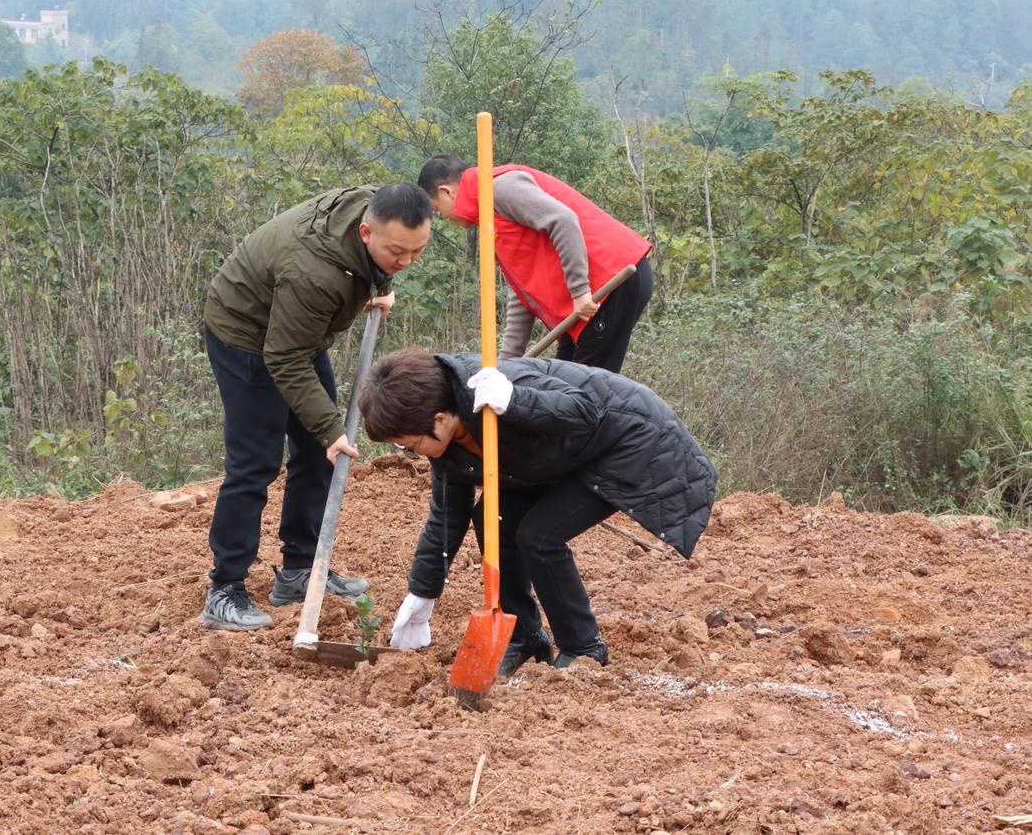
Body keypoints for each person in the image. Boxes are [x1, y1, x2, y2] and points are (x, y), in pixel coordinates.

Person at [357, 349, 718, 672]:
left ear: (439, 420)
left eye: (410, 445)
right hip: (562, 455)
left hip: (627, 441)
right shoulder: (447, 442)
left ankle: (584, 647)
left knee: (539, 536)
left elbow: (586, 410)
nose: (411, 454)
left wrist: (515, 400)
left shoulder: (496, 385)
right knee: (492, 519)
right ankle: (525, 636)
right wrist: (423, 593)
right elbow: (447, 517)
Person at [200, 184, 433, 631]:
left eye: (416, 251)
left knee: (317, 451)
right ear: (366, 232)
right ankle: (224, 589)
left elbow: (371, 264)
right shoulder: (315, 274)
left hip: (295, 333)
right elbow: (284, 358)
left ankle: (300, 570)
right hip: (246, 332)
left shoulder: (376, 208)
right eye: (396, 252)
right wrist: (331, 428)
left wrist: (382, 282)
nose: (406, 261)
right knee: (255, 462)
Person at [418, 155, 653, 373]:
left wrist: (580, 291)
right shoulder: (489, 222)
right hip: (590, 300)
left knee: (585, 393)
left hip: (611, 282)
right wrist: (506, 365)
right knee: (561, 384)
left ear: (446, 192)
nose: (444, 216)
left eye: (437, 209)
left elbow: (563, 221)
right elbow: (522, 290)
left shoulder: (499, 188)